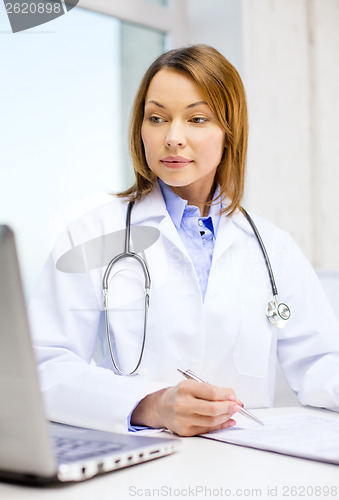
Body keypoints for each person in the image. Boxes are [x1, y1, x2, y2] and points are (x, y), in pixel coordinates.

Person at [29, 44, 339, 437]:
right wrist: (151, 405)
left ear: (229, 132)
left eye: (196, 119)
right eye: (157, 118)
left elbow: (321, 363)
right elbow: (43, 368)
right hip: (135, 468)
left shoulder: (272, 247)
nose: (173, 137)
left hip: (249, 470)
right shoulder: (92, 236)